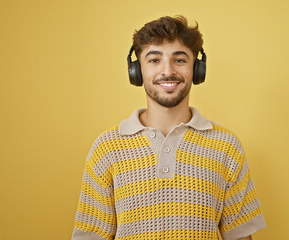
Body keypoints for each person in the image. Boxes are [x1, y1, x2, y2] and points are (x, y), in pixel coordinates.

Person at [72, 15, 266, 240]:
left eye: (180, 60)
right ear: (136, 71)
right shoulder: (106, 149)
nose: (168, 71)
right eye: (154, 60)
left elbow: (240, 236)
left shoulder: (227, 147)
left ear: (197, 69)